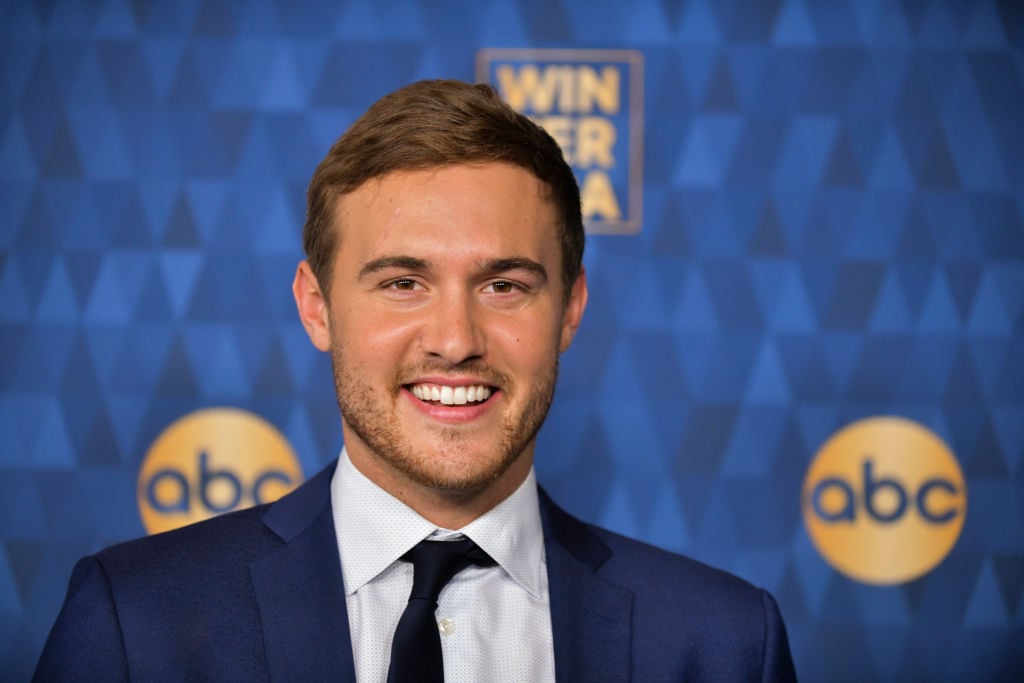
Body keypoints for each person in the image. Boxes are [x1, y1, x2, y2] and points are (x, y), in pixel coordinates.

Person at [34, 79, 797, 682]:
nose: (456, 341)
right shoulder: (135, 621)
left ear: (570, 308)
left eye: (505, 285)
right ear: (316, 306)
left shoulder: (722, 644)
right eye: (403, 282)